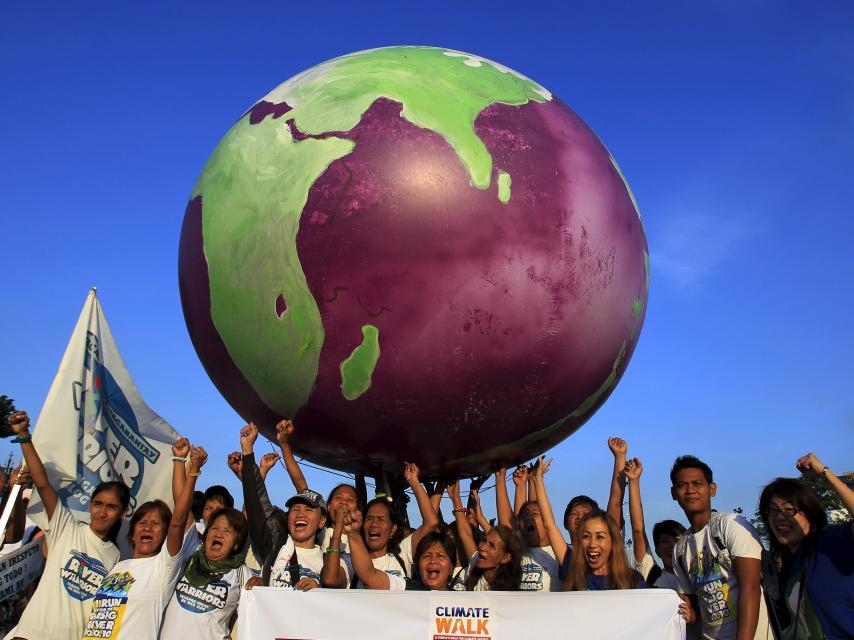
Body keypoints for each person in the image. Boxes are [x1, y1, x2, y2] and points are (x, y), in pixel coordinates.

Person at [6, 411, 129, 640]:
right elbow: (42, 483)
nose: (102, 512)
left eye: (111, 507)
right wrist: (24, 436)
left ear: (123, 512)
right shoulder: (67, 528)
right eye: (98, 504)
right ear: (90, 506)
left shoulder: (116, 557)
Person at [80, 440, 203, 639]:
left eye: (155, 524)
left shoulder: (163, 567)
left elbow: (178, 521)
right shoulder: (117, 566)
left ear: (165, 534)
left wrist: (184, 465)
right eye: (142, 522)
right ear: (132, 533)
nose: (147, 527)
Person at [671, 455, 772, 640]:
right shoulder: (680, 549)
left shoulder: (730, 525)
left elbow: (751, 588)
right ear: (673, 493)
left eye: (697, 483)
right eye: (682, 485)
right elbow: (691, 603)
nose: (690, 490)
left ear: (712, 489)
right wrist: (692, 614)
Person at [239, 422, 347, 589]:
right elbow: (257, 503)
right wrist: (247, 450)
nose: (300, 513)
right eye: (295, 509)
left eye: (308, 509)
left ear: (322, 521)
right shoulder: (274, 546)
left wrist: (320, 590)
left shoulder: (328, 563)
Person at [758, 452, 854, 640]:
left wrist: (824, 473)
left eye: (789, 510)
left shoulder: (831, 540)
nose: (779, 517)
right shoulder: (788, 567)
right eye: (773, 510)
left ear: (810, 513)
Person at [160, 506, 251, 639]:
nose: (219, 534)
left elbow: (253, 619)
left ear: (236, 544)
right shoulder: (191, 552)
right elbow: (182, 508)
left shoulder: (242, 573)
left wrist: (259, 585)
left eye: (227, 531)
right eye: (214, 528)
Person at [502, 460, 561, 592]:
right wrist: (521, 485)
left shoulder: (559, 553)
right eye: (525, 517)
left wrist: (536, 480)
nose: (529, 518)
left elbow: (539, 513)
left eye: (535, 514)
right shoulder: (522, 550)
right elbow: (514, 520)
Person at [564, 509, 647, 591]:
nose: (592, 544)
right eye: (586, 536)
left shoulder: (633, 579)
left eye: (599, 537)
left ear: (613, 542)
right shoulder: (574, 578)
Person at [462, 524, 521, 591]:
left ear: (505, 558)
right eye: (484, 540)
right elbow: (465, 532)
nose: (482, 547)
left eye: (492, 546)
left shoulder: (509, 593)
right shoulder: (474, 564)